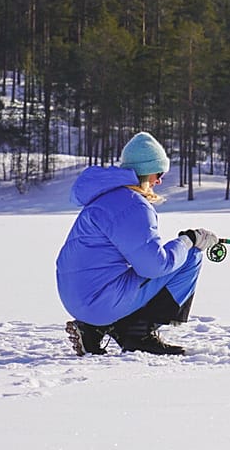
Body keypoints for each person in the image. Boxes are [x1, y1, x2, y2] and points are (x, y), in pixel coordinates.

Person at [56, 131, 219, 356]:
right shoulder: (132, 205)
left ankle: (94, 328)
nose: (159, 181)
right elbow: (154, 266)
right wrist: (189, 241)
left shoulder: (106, 197)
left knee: (149, 266)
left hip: (76, 297)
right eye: (158, 173)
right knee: (192, 257)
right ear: (145, 172)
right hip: (97, 302)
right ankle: (137, 334)